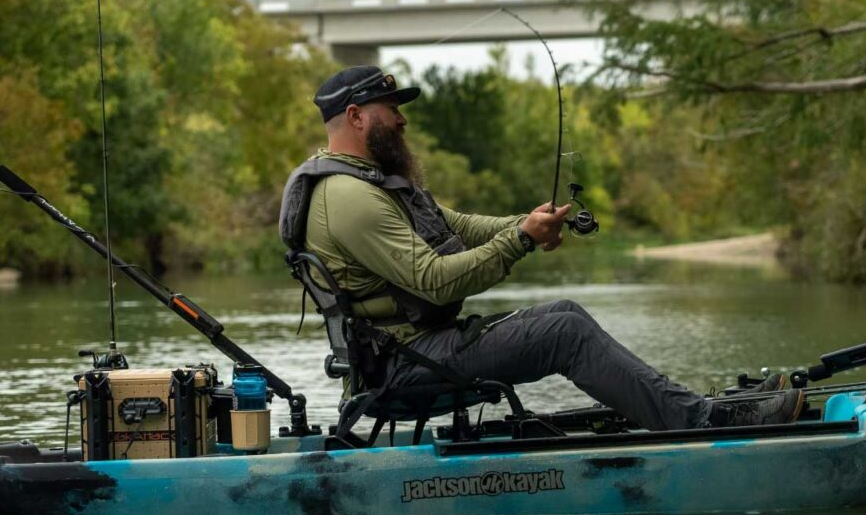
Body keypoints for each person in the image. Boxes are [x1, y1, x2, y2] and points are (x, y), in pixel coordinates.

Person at [279, 66, 803, 430]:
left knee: (564, 315)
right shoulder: (347, 198)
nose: (401, 118)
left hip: (422, 348)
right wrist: (521, 241)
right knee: (565, 330)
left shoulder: (371, 180)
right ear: (355, 116)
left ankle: (685, 408)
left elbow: (457, 224)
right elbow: (434, 279)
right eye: (390, 107)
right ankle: (699, 421)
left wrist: (527, 222)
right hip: (402, 367)